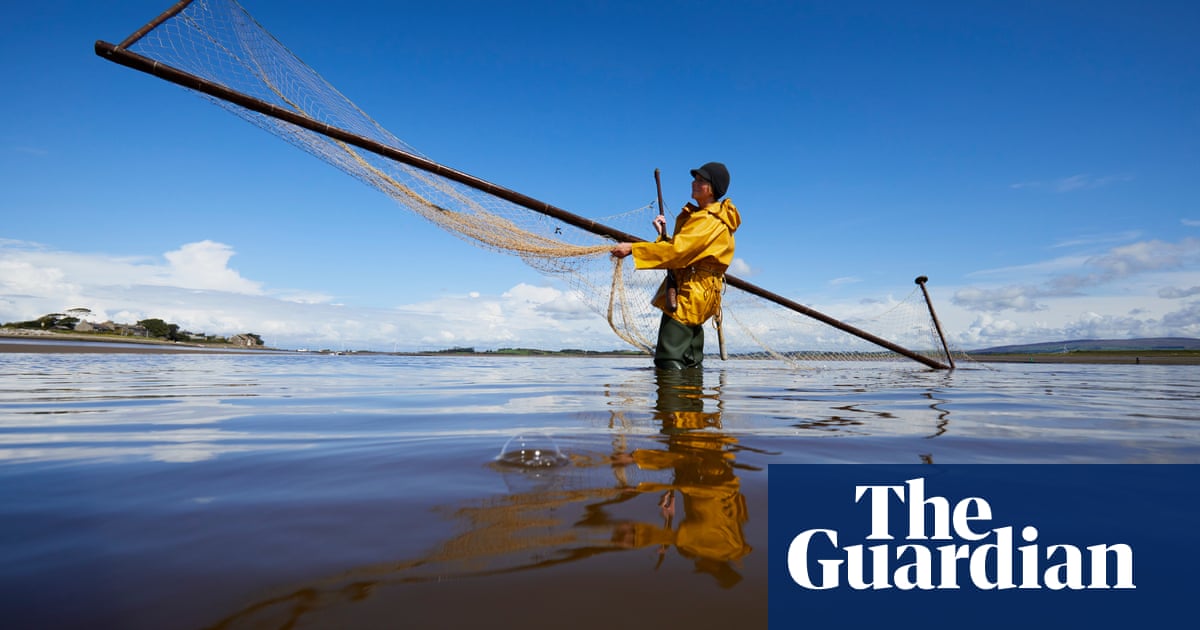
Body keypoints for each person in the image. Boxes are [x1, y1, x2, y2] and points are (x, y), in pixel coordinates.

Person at [610, 162, 741, 369]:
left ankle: (671, 400)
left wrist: (633, 249)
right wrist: (662, 236)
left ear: (712, 189)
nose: (694, 183)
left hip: (687, 296)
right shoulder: (710, 218)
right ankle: (690, 399)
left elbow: (678, 253)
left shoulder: (708, 220)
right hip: (700, 297)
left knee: (668, 361)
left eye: (701, 181)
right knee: (690, 361)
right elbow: (687, 251)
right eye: (695, 179)